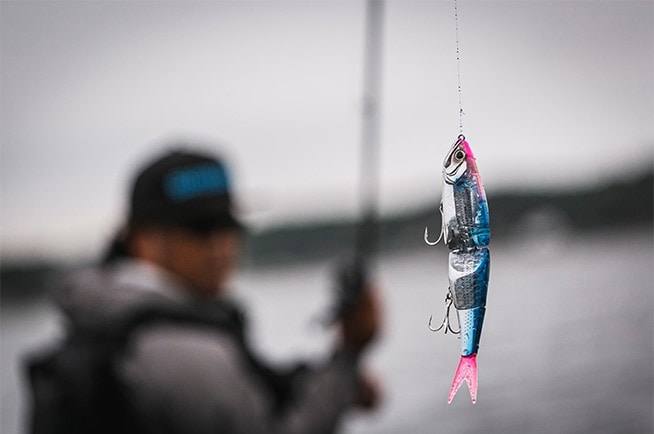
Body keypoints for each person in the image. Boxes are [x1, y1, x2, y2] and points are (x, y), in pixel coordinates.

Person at [54, 145, 383, 434]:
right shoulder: (173, 348)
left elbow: (246, 382)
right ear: (141, 239)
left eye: (227, 225)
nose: (220, 246)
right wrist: (349, 353)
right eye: (200, 227)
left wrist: (327, 384)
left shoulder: (118, 321)